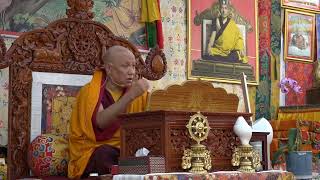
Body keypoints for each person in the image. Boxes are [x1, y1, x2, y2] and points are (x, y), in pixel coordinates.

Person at [68, 38, 150, 178]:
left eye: (134, 66)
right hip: (91, 151)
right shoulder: (90, 91)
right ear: (110, 69)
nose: (131, 72)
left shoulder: (137, 93)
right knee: (105, 153)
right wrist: (131, 96)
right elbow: (100, 122)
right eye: (125, 66)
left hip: (126, 151)